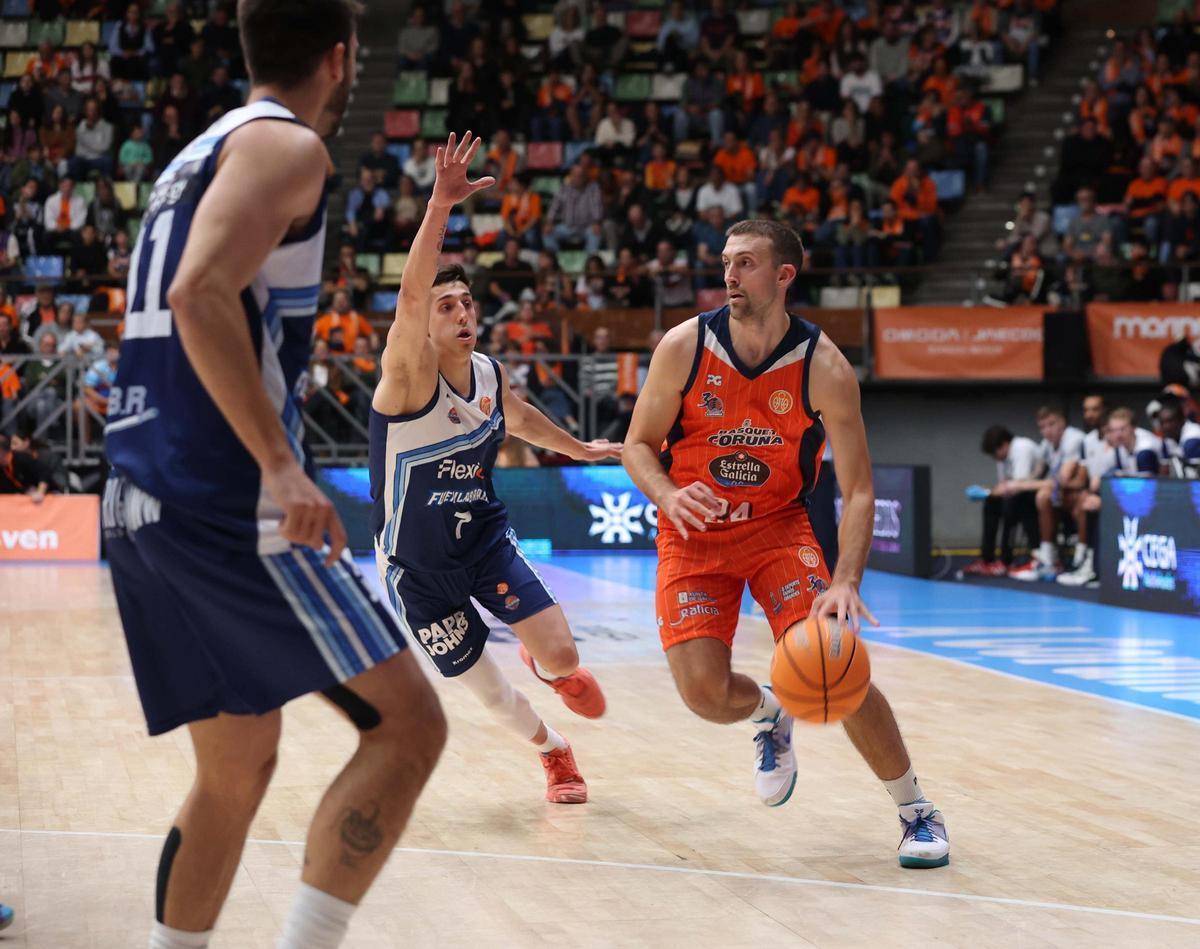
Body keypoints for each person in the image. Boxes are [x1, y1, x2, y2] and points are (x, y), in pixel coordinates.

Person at [101, 4, 446, 948]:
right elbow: (198, 291)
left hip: (141, 494)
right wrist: (284, 467)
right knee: (410, 727)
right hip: (223, 498)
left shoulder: (190, 159)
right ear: (339, 61)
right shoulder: (287, 147)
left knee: (237, 763)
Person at [623, 219, 950, 869]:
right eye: (725, 262)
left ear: (783, 275)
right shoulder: (683, 347)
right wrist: (666, 494)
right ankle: (771, 713)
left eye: (745, 263)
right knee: (704, 696)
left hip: (778, 528)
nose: (729, 275)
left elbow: (858, 490)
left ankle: (916, 809)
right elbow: (636, 444)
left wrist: (847, 580)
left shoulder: (824, 366)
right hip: (693, 531)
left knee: (834, 662)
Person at [369, 132, 616, 804]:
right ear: (426, 322)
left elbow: (525, 420)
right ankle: (554, 751)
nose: (460, 314)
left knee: (564, 657)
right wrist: (440, 206)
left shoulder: (489, 373)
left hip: (482, 541)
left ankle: (548, 665)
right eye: (447, 306)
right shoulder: (405, 376)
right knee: (490, 693)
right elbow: (412, 292)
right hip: (418, 571)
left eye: (468, 305)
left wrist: (584, 450)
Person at [1057, 408, 1161, 588]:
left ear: (1133, 428)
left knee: (1098, 507)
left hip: (1157, 503)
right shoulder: (1120, 449)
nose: (1118, 434)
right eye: (1114, 430)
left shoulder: (1145, 451)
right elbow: (1123, 482)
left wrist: (1106, 502)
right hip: (1137, 497)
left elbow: (1148, 494)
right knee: (1089, 502)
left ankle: (1096, 571)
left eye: (1123, 429)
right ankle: (1092, 565)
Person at [1008, 407, 1086, 582]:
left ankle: (1068, 559)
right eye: (1042, 427)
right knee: (1022, 497)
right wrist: (1018, 484)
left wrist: (1023, 485)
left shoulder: (1074, 439)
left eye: (1051, 424)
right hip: (1061, 495)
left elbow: (1062, 480)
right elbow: (1037, 473)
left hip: (1078, 493)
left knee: (1043, 495)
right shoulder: (1046, 444)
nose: (1047, 430)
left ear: (1063, 423)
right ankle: (1046, 558)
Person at [963, 425, 1043, 576]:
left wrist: (990, 492)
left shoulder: (1021, 448)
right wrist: (988, 493)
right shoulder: (1002, 458)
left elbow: (1019, 485)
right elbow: (1004, 485)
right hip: (1020, 494)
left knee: (1010, 504)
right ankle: (987, 559)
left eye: (995, 453)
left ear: (1004, 444)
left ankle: (1006, 560)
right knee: (991, 503)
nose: (995, 458)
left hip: (1034, 496)